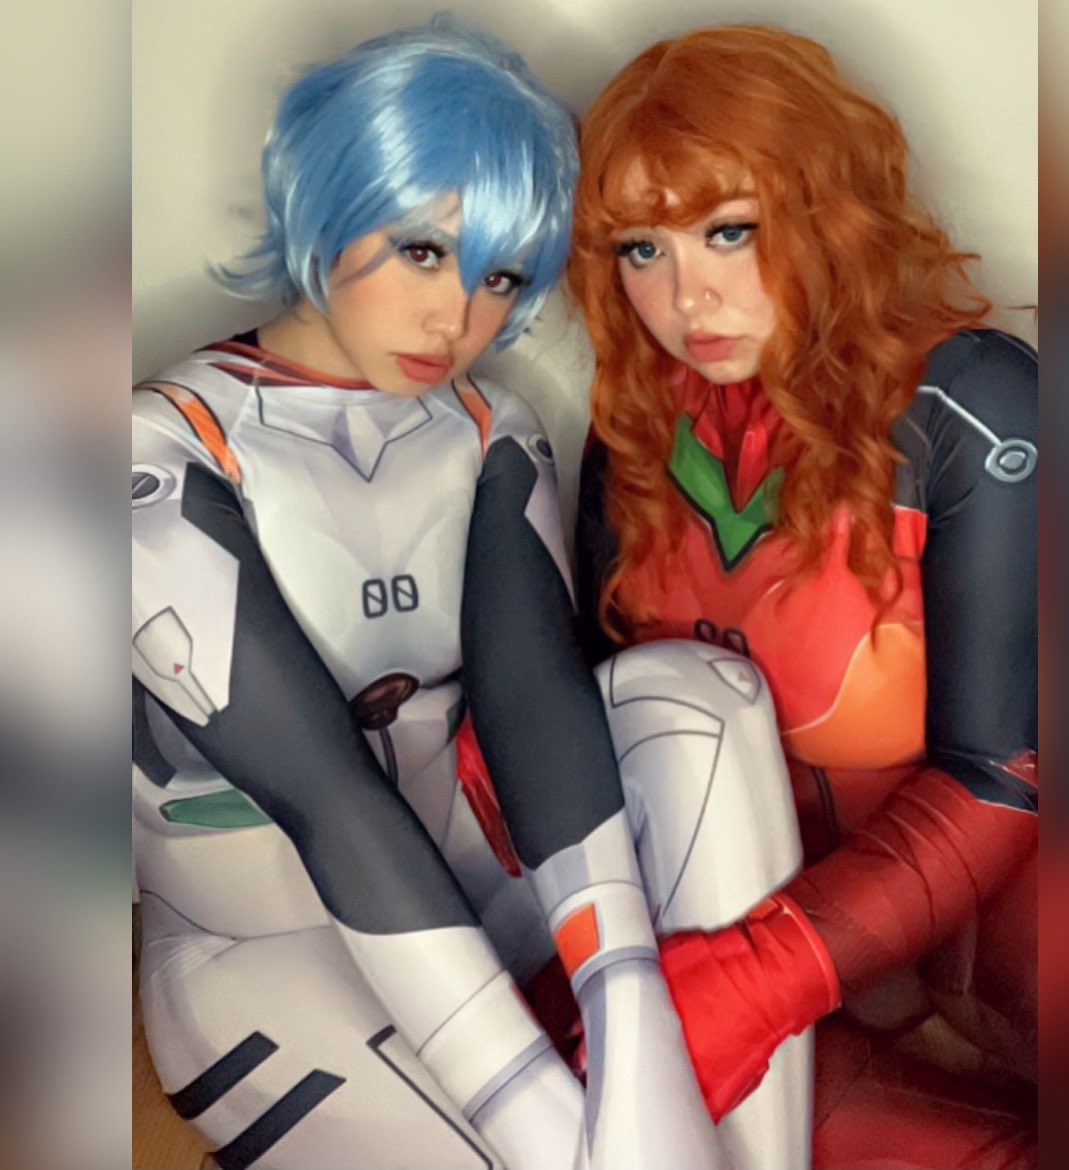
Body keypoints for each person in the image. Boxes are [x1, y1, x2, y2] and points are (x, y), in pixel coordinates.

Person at [132, 20, 730, 1170]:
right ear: (326, 203)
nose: (458, 319)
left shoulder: (488, 424)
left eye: (499, 277)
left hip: (485, 894)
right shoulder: (161, 446)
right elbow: (327, 797)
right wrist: (546, 1121)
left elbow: (536, 706)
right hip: (264, 946)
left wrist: (632, 1013)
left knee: (701, 697)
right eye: (422, 251)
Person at [568, 24, 1038, 1170]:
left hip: (1012, 904)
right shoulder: (630, 433)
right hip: (767, 926)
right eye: (642, 248)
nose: (687, 295)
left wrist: (763, 975)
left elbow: (1006, 776)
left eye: (730, 230)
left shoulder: (968, 402)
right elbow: (601, 724)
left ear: (824, 212)